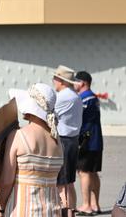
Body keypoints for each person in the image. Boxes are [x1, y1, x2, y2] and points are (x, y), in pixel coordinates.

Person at [0, 83, 64, 217]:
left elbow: (6, 181)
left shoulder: (18, 136)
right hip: (53, 212)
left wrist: (1, 208)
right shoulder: (57, 140)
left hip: (23, 210)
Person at [53, 65, 84, 217]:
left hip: (65, 141)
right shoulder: (74, 95)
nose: (53, 81)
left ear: (61, 81)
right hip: (71, 140)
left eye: (55, 78)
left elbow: (49, 113)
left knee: (62, 183)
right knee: (69, 181)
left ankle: (66, 212)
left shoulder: (64, 96)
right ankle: (71, 209)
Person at [74, 71, 104, 216]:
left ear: (83, 83)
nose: (74, 84)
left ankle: (86, 205)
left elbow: (81, 122)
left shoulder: (84, 99)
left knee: (84, 172)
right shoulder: (94, 97)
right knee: (93, 172)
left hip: (87, 141)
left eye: (76, 81)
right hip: (96, 140)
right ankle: (95, 204)